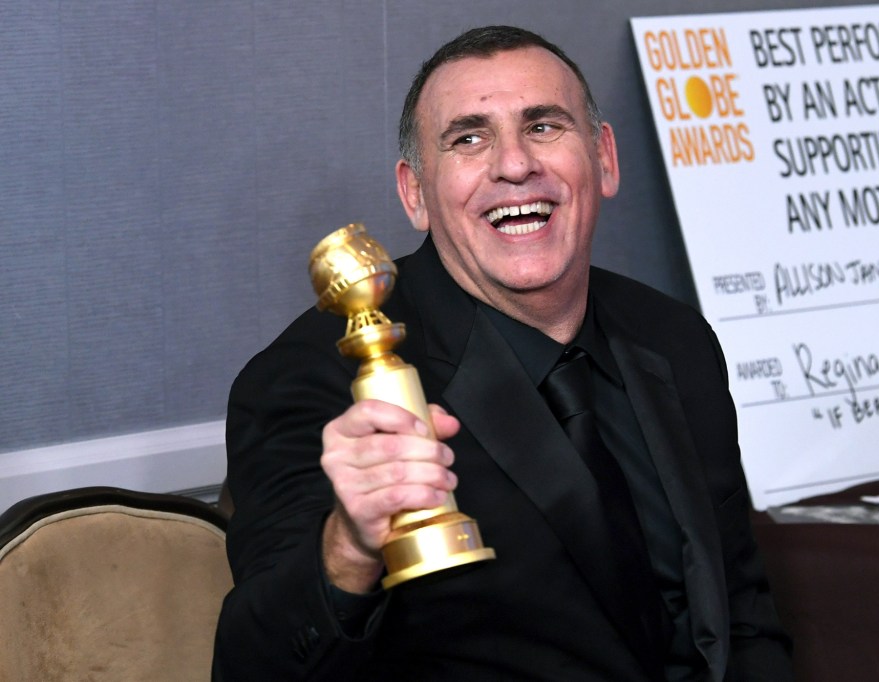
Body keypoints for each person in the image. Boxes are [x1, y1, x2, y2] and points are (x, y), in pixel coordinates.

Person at [213, 25, 793, 681]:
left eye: (544, 126)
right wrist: (347, 547)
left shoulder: (674, 338)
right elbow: (250, 667)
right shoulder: (311, 379)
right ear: (414, 193)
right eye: (469, 138)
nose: (515, 165)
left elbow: (742, 618)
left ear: (604, 158)